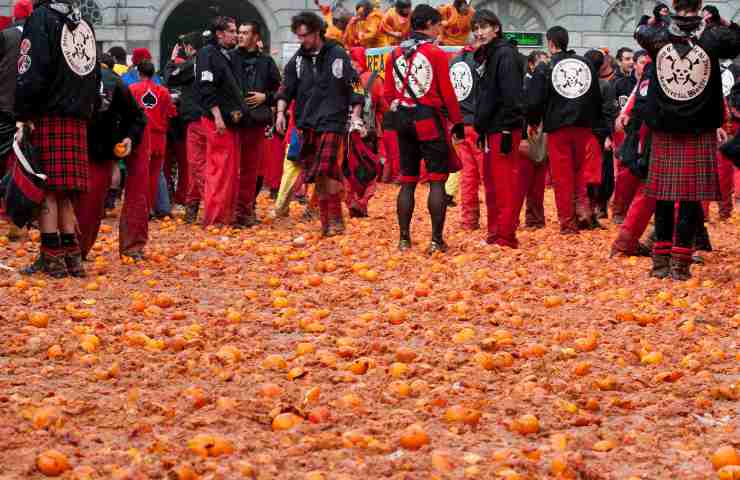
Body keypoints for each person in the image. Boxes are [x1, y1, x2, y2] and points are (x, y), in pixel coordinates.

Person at [635, 0, 740, 280]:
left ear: (673, 4)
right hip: (699, 126)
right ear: (701, 5)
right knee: (691, 198)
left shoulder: (658, 36)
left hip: (666, 125)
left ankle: (660, 262)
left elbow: (639, 30)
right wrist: (722, 21)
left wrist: (659, 17)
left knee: (664, 197)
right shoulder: (712, 36)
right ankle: (680, 265)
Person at [15, 0, 99, 278]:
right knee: (65, 194)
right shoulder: (83, 22)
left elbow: (32, 69)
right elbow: (93, 74)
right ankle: (72, 258)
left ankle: (52, 259)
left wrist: (23, 112)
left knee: (47, 190)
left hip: (48, 113)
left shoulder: (41, 18)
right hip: (78, 116)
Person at [384, 4, 465, 253]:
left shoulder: (394, 54)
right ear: (429, 24)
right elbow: (448, 93)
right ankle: (435, 240)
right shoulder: (436, 54)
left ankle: (404, 240)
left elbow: (388, 94)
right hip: (429, 121)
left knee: (407, 182)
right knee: (437, 181)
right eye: (438, 24)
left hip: (403, 121)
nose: (441, 28)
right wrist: (458, 123)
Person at [276, 11, 364, 236]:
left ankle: (334, 220)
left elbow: (355, 84)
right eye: (298, 36)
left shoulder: (338, 54)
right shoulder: (297, 60)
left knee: (327, 170)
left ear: (316, 32)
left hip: (333, 120)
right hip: (307, 122)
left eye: (305, 35)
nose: (301, 40)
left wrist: (355, 115)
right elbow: (286, 88)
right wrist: (280, 113)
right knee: (320, 174)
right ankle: (329, 223)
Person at [526, 26, 603, 234]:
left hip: (558, 127)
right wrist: (595, 125)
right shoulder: (585, 63)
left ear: (551, 43)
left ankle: (568, 223)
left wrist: (533, 122)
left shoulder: (546, 66)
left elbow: (534, 100)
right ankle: (582, 212)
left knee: (562, 177)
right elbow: (596, 97)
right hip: (584, 126)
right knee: (579, 172)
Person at [74, 53, 147, 261]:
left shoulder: (112, 82)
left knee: (87, 206)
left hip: (95, 150)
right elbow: (137, 117)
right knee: (84, 206)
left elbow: (137, 117)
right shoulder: (113, 80)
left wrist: (129, 137)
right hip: (92, 149)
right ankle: (73, 251)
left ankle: (75, 251)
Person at [472, 9, 525, 248]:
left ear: (496, 28)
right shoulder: (487, 54)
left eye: (484, 27)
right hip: (490, 128)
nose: (479, 32)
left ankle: (506, 236)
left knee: (505, 185)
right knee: (492, 186)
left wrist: (506, 129)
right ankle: (494, 234)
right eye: (476, 28)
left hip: (503, 128)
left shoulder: (505, 55)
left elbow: (511, 95)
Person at [195, 16, 244, 226]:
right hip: (217, 120)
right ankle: (214, 218)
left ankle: (226, 216)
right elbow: (206, 87)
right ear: (220, 34)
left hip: (229, 119)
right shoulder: (208, 54)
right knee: (219, 167)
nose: (236, 35)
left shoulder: (226, 54)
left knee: (230, 169)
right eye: (232, 31)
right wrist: (217, 116)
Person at [232, 20, 281, 227]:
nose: (240, 36)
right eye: (239, 32)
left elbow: (279, 91)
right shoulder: (230, 58)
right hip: (233, 120)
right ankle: (233, 209)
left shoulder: (266, 62)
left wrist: (265, 98)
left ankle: (247, 208)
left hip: (255, 122)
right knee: (232, 167)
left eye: (245, 33)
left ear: (256, 37)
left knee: (251, 168)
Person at [0, 0, 32, 242]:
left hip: (4, 105)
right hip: (30, 109)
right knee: (25, 161)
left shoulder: (6, 36)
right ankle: (20, 213)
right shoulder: (40, 37)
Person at [129, 61, 174, 219]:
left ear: (138, 73)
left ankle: (140, 209)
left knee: (138, 174)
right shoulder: (163, 92)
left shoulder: (132, 89)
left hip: (140, 137)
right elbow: (171, 114)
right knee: (154, 175)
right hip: (159, 138)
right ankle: (150, 208)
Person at [449, 28, 483, 230]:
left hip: (460, 124)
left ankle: (468, 220)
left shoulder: (454, 61)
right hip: (479, 124)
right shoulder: (480, 62)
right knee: (489, 176)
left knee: (468, 176)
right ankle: (496, 221)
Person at [610, 49, 649, 223]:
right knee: (626, 172)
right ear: (635, 64)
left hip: (650, 131)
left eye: (648, 63)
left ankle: (641, 213)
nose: (645, 66)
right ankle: (619, 210)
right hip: (630, 133)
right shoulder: (622, 84)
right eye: (642, 62)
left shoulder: (655, 83)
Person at [519, 50, 550, 229]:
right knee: (523, 179)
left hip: (542, 133)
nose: (545, 67)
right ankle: (515, 218)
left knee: (538, 180)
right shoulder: (524, 84)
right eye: (541, 63)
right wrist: (523, 135)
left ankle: (535, 219)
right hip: (528, 133)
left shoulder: (546, 84)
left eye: (547, 63)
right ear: (531, 65)